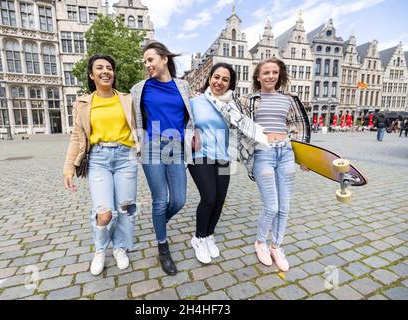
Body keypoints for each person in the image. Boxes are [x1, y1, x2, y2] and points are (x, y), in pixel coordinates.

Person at [63, 54, 139, 276]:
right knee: (104, 212)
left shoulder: (127, 99)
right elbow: (76, 138)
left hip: (126, 158)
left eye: (109, 67)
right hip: (98, 158)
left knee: (125, 208)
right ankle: (100, 249)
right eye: (99, 68)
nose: (106, 71)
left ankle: (120, 247)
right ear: (91, 74)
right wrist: (68, 169)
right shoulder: (83, 103)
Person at [188, 63, 270, 264]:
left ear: (230, 83)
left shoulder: (233, 105)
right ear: (209, 78)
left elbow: (245, 128)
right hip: (200, 155)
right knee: (209, 197)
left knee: (220, 199)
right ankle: (198, 238)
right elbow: (182, 125)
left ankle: (208, 235)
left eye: (225, 79)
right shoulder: (194, 102)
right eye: (216, 77)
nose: (219, 82)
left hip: (224, 156)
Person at [238, 57, 311, 272]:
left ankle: (276, 246)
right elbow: (239, 128)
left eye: (275, 73)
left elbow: (299, 126)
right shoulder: (247, 100)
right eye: (266, 72)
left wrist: (305, 156)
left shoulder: (289, 98)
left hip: (286, 152)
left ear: (279, 76)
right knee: (272, 206)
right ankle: (260, 242)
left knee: (285, 206)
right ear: (258, 76)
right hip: (263, 154)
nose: (271, 76)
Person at [131, 41, 195, 276]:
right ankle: (162, 246)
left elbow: (191, 116)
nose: (147, 65)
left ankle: (159, 222)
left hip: (176, 147)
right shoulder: (140, 88)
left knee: (178, 199)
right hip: (151, 146)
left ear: (164, 58)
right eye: (145, 61)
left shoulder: (184, 86)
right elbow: (131, 115)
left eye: (151, 59)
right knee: (160, 199)